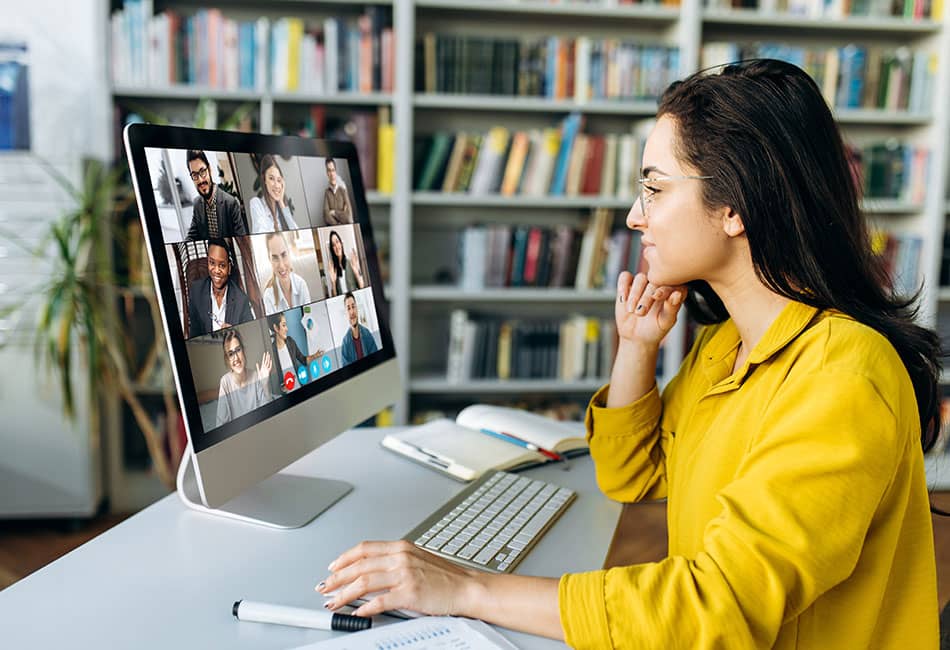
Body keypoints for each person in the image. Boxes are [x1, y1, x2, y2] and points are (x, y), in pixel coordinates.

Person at [314, 59, 942, 648]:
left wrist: (469, 588)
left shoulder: (843, 374)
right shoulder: (728, 344)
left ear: (735, 207)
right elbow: (630, 475)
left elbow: (714, 608)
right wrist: (638, 348)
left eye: (655, 189)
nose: (634, 216)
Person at [187, 238, 254, 337]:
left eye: (222, 265)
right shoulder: (196, 291)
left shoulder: (241, 301)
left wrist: (235, 334)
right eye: (212, 263)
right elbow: (194, 335)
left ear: (229, 268)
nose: (216, 270)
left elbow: (250, 335)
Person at [215, 329, 272, 426]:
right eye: (231, 354)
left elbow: (269, 415)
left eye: (238, 350)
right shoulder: (225, 382)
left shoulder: (255, 376)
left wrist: (265, 384)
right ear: (227, 359)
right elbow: (220, 425)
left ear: (243, 350)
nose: (236, 358)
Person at [185, 150, 247, 240]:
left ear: (209, 169)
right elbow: (192, 235)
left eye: (202, 172)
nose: (200, 180)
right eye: (194, 175)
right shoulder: (197, 204)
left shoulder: (230, 203)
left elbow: (242, 240)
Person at [267, 312, 320, 393]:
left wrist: (316, 355)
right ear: (276, 328)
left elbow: (303, 360)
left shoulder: (290, 342)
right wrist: (281, 389)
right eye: (284, 325)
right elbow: (272, 383)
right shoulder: (271, 351)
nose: (287, 329)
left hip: (299, 389)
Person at [262, 232, 312, 314]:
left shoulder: (301, 285)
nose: (281, 265)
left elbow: (309, 313)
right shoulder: (268, 297)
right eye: (275, 258)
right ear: (269, 259)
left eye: (284, 255)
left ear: (289, 253)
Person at [248, 155, 300, 233]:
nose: (276, 185)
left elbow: (297, 234)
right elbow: (261, 235)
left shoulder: (281, 209)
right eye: (271, 178)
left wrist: (281, 202)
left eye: (279, 180)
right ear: (264, 179)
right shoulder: (256, 204)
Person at [339, 292, 378, 366]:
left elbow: (376, 360)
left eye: (353, 306)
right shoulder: (345, 343)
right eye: (348, 308)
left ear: (357, 308)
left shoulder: (367, 334)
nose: (352, 312)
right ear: (346, 313)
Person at [326, 229, 365, 297]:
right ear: (332, 249)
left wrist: (356, 273)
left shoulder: (350, 263)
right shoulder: (334, 270)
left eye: (337, 242)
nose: (336, 246)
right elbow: (334, 297)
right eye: (333, 245)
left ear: (341, 243)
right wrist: (333, 283)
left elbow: (362, 287)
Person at [323, 158, 353, 225]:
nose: (331, 174)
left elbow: (348, 217)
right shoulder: (327, 192)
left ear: (335, 171)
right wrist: (337, 225)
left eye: (333, 170)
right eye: (329, 170)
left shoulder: (342, 189)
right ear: (326, 172)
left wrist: (334, 212)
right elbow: (326, 215)